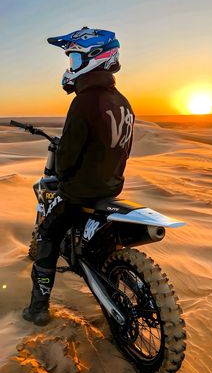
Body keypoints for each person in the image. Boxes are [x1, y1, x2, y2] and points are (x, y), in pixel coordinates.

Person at [22, 27, 135, 325]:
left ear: (95, 58)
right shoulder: (123, 103)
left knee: (47, 235)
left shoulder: (83, 102)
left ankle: (37, 309)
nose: (71, 65)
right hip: (111, 189)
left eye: (74, 58)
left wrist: (62, 172)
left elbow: (68, 158)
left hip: (81, 191)